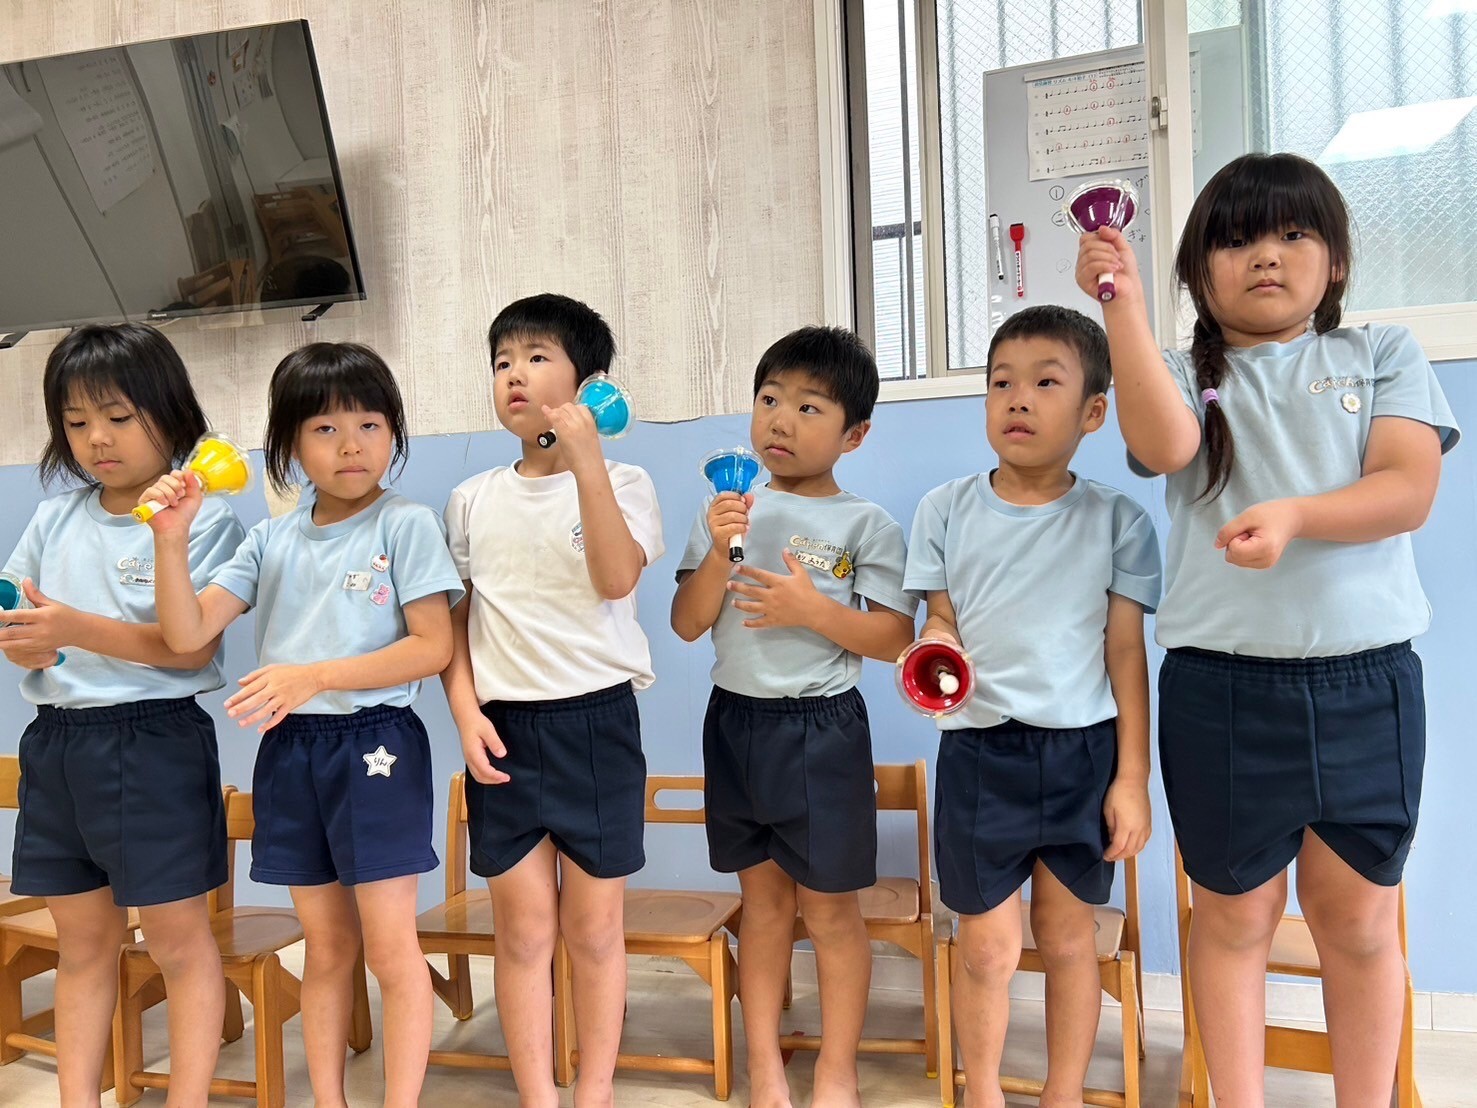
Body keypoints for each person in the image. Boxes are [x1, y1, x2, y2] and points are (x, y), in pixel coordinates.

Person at [1077, 151, 1459, 1105]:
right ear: (1197, 273)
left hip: (1366, 684)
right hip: (1221, 690)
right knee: (1232, 919)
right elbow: (1163, 444)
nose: (1266, 255)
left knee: (1357, 924)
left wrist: (1293, 516)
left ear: (1335, 261)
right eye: (1237, 239)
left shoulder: (1379, 353)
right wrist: (1119, 303)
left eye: (1293, 233)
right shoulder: (1177, 374)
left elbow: (1405, 489)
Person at [140, 342, 460, 1108]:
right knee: (326, 947)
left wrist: (312, 675)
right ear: (287, 444)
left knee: (390, 948)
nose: (351, 444)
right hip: (290, 755)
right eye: (324, 428)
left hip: (377, 747)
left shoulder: (405, 524)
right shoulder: (268, 539)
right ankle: (329, 1100)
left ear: (393, 432)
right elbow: (186, 634)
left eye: (370, 424)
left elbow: (432, 646)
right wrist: (171, 541)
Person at [905, 305, 1160, 1106]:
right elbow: (938, 619)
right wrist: (934, 643)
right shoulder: (943, 509)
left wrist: (1131, 779)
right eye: (1000, 383)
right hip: (979, 754)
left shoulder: (1118, 519)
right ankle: (981, 1091)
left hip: (1082, 753)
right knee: (985, 947)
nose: (1017, 398)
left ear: (1092, 411)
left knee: (1068, 940)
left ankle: (1062, 1093)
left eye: (1045, 383)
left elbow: (1126, 656)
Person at [672, 325, 917, 1108]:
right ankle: (766, 1069)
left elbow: (894, 638)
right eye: (769, 399)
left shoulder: (864, 525)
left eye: (809, 407)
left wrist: (812, 610)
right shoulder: (724, 512)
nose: (779, 419)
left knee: (831, 910)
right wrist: (720, 551)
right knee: (765, 906)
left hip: (822, 729)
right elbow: (686, 624)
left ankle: (838, 1070)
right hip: (734, 725)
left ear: (854, 434)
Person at [1, 323, 244, 1107]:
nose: (96, 439)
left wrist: (73, 628)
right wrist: (27, 640)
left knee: (177, 942)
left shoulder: (205, 518)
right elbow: (22, 620)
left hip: (152, 742)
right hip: (57, 745)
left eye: (116, 416)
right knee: (82, 944)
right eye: (76, 422)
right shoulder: (54, 519)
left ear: (169, 413)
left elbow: (183, 649)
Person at [442, 293, 664, 1108]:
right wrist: (465, 714)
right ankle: (538, 1094)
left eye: (537, 357)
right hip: (504, 728)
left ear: (588, 383)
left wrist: (587, 461)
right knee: (523, 931)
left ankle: (594, 1091)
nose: (515, 374)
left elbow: (614, 576)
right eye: (502, 361)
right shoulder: (471, 498)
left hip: (597, 723)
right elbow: (457, 623)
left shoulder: (626, 481)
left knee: (594, 930)